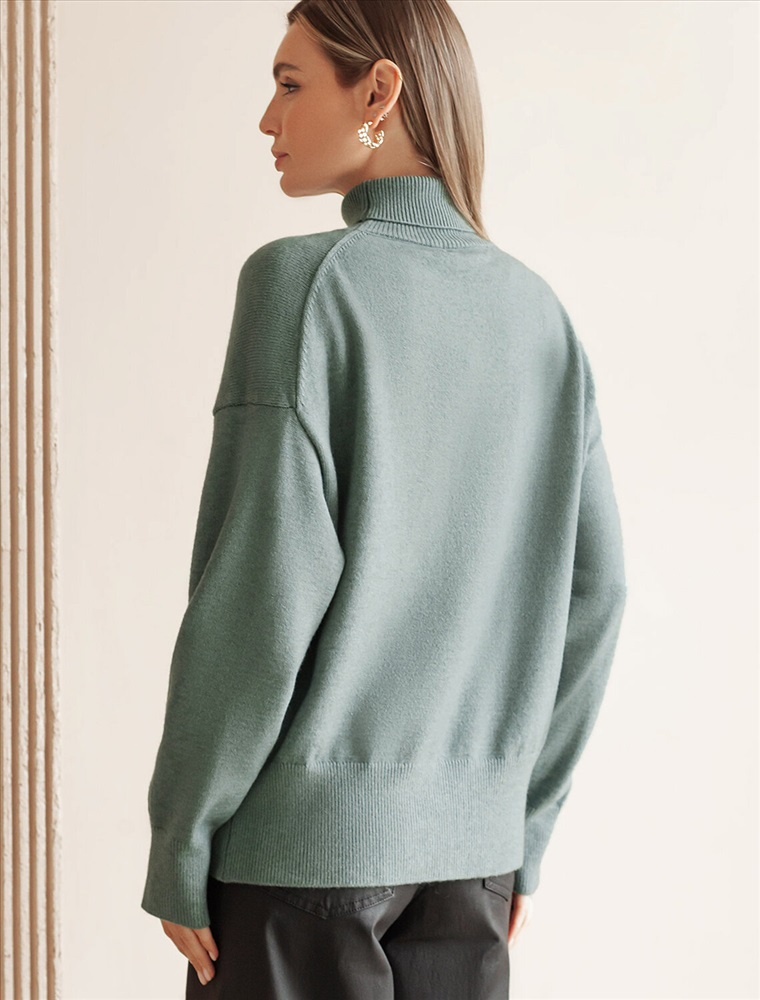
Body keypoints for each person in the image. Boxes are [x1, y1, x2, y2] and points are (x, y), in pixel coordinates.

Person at [140, 1, 627, 997]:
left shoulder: (304, 285)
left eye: (289, 84)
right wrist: (522, 826)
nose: (268, 119)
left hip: (297, 866)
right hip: (473, 868)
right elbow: (599, 591)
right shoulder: (540, 317)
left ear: (379, 91)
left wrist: (182, 834)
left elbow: (259, 595)